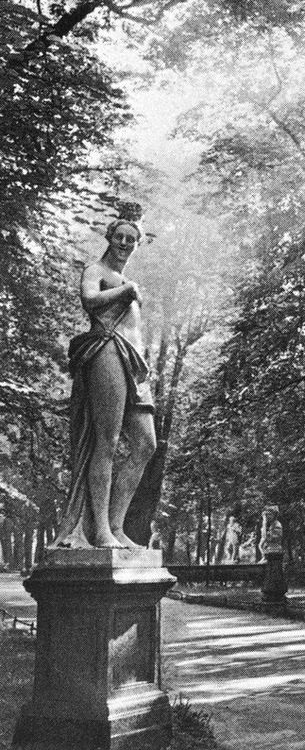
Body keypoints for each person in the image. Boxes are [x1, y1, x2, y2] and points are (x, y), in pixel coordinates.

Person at [51, 217, 155, 550]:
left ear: (136, 245)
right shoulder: (96, 271)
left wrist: (129, 288)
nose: (125, 243)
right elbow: (88, 300)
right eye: (120, 237)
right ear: (109, 238)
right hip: (106, 349)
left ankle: (115, 524)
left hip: (134, 361)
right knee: (106, 442)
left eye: (131, 239)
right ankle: (99, 532)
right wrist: (126, 291)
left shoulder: (126, 279)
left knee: (145, 443)